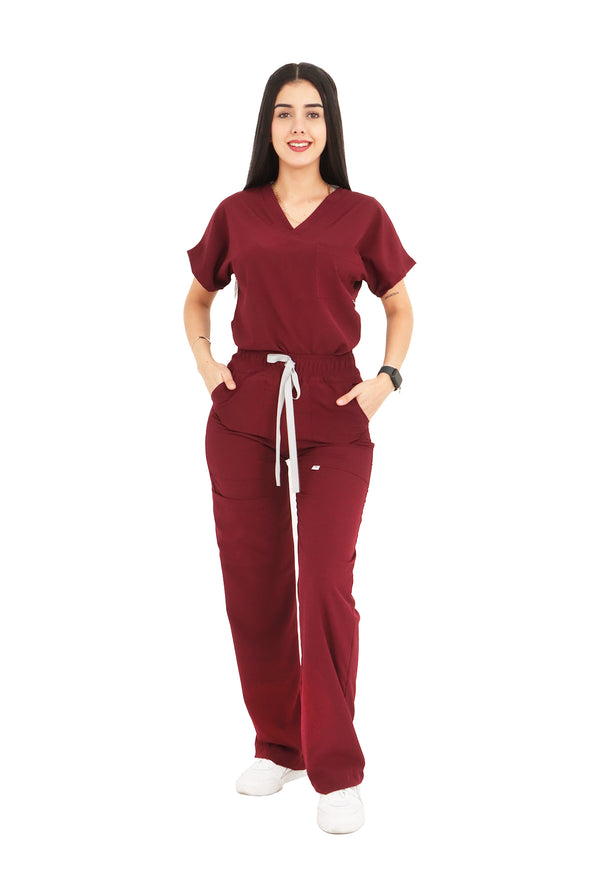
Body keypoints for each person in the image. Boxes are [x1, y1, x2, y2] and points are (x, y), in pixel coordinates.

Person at [183, 62, 416, 835]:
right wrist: (209, 366)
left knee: (322, 582)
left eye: (312, 112)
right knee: (254, 588)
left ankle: (336, 769)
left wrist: (386, 378)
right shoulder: (237, 212)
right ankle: (278, 745)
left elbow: (398, 304)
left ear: (330, 125)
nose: (298, 126)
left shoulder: (361, 215)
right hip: (246, 407)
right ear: (267, 125)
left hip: (333, 408)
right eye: (284, 112)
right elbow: (198, 297)